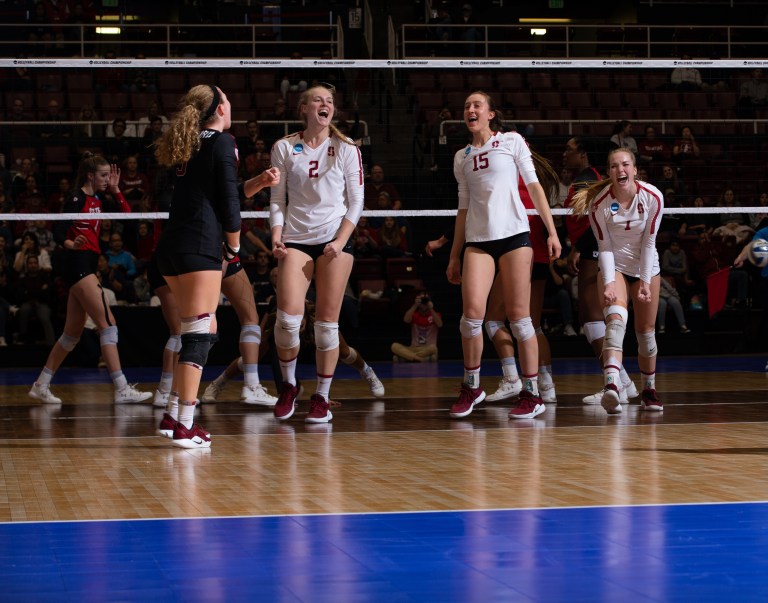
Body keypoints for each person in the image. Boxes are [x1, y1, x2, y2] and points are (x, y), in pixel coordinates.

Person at [153, 83, 263, 448]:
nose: (232, 106)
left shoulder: (190, 142)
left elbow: (220, 193)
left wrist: (259, 182)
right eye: (228, 100)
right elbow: (229, 205)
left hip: (174, 245)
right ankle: (186, 422)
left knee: (203, 328)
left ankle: (172, 415)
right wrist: (233, 246)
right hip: (199, 245)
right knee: (199, 336)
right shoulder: (222, 142)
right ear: (218, 109)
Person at [446, 91, 561, 420]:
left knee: (520, 318)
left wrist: (551, 232)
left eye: (476, 105)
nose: (470, 109)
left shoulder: (511, 141)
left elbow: (535, 187)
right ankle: (472, 386)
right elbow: (463, 210)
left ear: (490, 113)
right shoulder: (461, 157)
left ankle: (531, 392)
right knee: (470, 317)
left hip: (514, 236)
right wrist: (455, 255)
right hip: (478, 241)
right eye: (466, 105)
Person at [269, 83, 364, 424]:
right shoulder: (284, 147)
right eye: (318, 100)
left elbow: (357, 202)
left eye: (330, 101)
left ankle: (321, 396)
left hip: (334, 240)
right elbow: (277, 200)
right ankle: (290, 385)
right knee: (287, 322)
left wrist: (340, 241)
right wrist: (277, 236)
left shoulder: (347, 148)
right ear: (304, 108)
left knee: (326, 326)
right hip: (296, 239)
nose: (325, 105)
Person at [28, 154, 151, 406]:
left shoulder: (98, 199)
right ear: (90, 175)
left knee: (71, 334)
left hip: (88, 265)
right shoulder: (76, 198)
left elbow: (127, 216)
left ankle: (41, 384)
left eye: (109, 175)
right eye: (104, 175)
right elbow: (59, 229)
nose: (108, 179)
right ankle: (121, 387)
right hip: (78, 264)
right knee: (108, 324)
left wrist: (117, 190)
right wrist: (71, 243)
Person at [570, 146, 665, 414]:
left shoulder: (653, 197)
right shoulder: (599, 204)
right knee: (615, 321)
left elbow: (649, 243)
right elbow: (605, 246)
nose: (620, 170)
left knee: (646, 334)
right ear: (609, 172)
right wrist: (609, 282)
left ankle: (649, 389)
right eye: (613, 166)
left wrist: (645, 282)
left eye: (625, 164)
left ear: (635, 169)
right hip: (617, 267)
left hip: (646, 266)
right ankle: (612, 386)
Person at [563, 136, 639, 406]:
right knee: (594, 315)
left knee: (594, 314)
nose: (564, 154)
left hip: (598, 247)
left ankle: (617, 382)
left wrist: (578, 248)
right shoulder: (590, 178)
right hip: (595, 246)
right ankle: (622, 381)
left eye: (569, 150)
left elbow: (590, 223)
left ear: (583, 154)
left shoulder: (587, 180)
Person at [391, 290, 443, 362]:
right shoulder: (414, 314)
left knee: (433, 348)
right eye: (421, 300)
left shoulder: (435, 315)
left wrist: (431, 308)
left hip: (427, 348)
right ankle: (422, 359)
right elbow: (406, 320)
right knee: (394, 346)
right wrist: (415, 305)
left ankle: (407, 358)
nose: (424, 302)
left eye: (425, 300)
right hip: (413, 348)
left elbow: (440, 324)